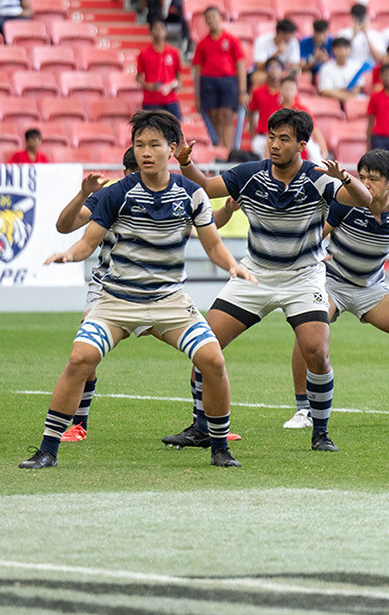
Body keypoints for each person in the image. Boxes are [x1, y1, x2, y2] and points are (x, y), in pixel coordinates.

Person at [19, 112, 252, 470]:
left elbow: (213, 245)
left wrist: (232, 265)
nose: (145, 152)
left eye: (154, 145)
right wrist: (69, 255)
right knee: (80, 359)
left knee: (212, 360)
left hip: (169, 303)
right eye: (139, 144)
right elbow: (86, 243)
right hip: (116, 302)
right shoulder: (116, 194)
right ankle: (48, 449)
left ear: (172, 149)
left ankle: (219, 447)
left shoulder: (192, 194)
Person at [168, 111, 372, 450]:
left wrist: (346, 179)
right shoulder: (250, 174)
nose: (274, 145)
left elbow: (366, 201)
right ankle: (201, 427)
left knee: (316, 353)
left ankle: (320, 432)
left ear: (302, 145)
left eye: (284, 139)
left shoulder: (319, 178)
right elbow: (205, 186)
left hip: (303, 278)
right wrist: (187, 163)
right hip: (255, 275)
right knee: (205, 347)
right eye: (271, 137)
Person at [291, 149, 389, 428]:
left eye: (372, 179)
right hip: (332, 283)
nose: (364, 183)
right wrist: (316, 251)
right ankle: (303, 410)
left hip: (372, 288)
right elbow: (316, 234)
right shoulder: (344, 203)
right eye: (361, 176)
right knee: (311, 331)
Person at [193, 4, 246, 151]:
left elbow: (240, 66)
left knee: (227, 114)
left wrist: (242, 90)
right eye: (208, 18)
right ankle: (219, 148)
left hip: (228, 80)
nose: (211, 20)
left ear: (220, 18)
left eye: (213, 17)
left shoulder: (232, 40)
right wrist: (196, 95)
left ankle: (228, 151)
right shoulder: (202, 43)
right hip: (208, 81)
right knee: (214, 115)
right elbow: (197, 70)